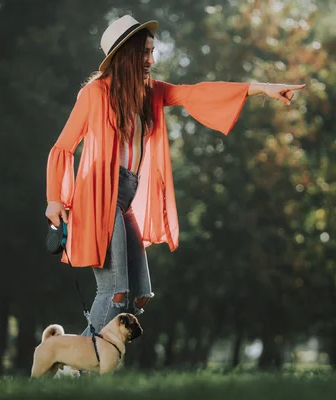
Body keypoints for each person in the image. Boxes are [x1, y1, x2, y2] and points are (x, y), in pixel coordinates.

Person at [44, 14, 306, 337]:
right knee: (115, 293)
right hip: (98, 198)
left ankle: (75, 364)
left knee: (139, 294)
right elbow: (62, 147)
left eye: (152, 52)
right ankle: (76, 369)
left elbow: (196, 94)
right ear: (125, 53)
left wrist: (261, 89)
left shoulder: (151, 93)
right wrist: (55, 198)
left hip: (124, 198)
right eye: (144, 53)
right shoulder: (95, 94)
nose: (151, 60)